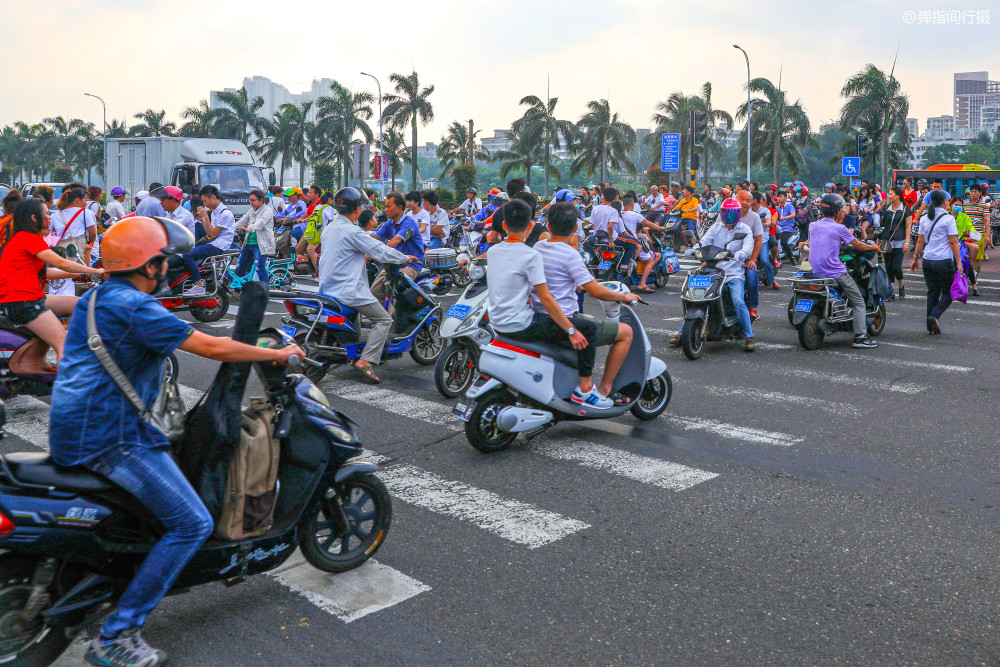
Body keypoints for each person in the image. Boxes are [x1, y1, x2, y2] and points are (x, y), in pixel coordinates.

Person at [48, 216, 302, 666]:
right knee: (192, 523)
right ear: (148, 265)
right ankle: (117, 634)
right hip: (111, 438)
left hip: (76, 427)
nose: (168, 268)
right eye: (164, 261)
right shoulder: (136, 308)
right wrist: (278, 353)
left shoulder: (96, 297)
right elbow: (214, 348)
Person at [487, 200, 624, 408]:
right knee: (586, 328)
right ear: (532, 225)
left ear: (504, 225)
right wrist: (571, 330)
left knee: (582, 321)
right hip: (523, 324)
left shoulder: (494, 252)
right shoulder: (531, 254)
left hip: (497, 323)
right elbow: (547, 299)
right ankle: (585, 390)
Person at [533, 201, 640, 405]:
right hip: (563, 320)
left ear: (547, 225)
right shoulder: (570, 254)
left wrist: (575, 284)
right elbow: (596, 290)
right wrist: (624, 296)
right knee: (625, 332)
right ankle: (601, 390)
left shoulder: (539, 246)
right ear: (575, 228)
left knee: (588, 317)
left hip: (540, 315)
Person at [318, 188, 416, 384]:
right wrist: (405, 258)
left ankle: (352, 353)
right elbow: (379, 250)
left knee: (356, 322)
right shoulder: (352, 231)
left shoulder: (329, 228)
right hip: (348, 290)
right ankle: (366, 361)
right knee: (384, 320)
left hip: (327, 288)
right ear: (357, 209)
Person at [0, 199, 105, 364]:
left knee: (82, 303)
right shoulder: (28, 238)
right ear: (34, 218)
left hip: (28, 298)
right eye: (47, 213)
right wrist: (95, 270)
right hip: (24, 301)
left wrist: (74, 275)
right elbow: (61, 262)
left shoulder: (24, 238)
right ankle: (67, 387)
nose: (50, 217)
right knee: (63, 344)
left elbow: (45, 272)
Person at [670, 198, 757, 351]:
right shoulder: (716, 227)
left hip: (733, 272)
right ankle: (682, 332)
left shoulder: (744, 229)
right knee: (696, 296)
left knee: (738, 300)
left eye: (732, 213)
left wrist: (741, 254)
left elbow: (748, 247)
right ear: (722, 213)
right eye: (726, 212)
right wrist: (693, 250)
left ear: (738, 214)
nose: (728, 216)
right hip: (714, 269)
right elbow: (704, 242)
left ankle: (748, 335)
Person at [807, 193, 881, 348]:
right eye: (842, 209)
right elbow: (859, 245)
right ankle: (860, 336)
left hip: (816, 271)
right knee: (859, 302)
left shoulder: (812, 225)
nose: (843, 211)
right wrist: (874, 246)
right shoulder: (839, 228)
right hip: (835, 273)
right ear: (837, 211)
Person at [910, 190, 962, 334]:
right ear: (945, 202)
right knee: (949, 293)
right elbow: (953, 242)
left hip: (927, 259)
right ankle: (934, 315)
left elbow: (920, 241)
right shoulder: (949, 219)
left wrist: (915, 259)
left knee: (933, 292)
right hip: (943, 261)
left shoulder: (925, 218)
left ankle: (930, 327)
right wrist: (959, 262)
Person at [370, 191, 424, 303]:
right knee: (375, 291)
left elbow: (397, 240)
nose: (386, 209)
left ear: (399, 207)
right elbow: (374, 237)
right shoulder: (390, 223)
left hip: (410, 264)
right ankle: (382, 317)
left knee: (398, 294)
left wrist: (380, 251)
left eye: (389, 206)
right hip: (393, 263)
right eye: (385, 206)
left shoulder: (408, 222)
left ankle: (393, 319)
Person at [183, 185, 236, 296]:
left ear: (213, 197)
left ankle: (198, 286)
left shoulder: (225, 214)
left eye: (205, 201)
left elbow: (213, 234)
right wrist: (202, 220)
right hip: (214, 243)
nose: (204, 204)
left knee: (188, 254)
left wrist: (206, 217)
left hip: (220, 245)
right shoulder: (216, 211)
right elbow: (210, 233)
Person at [734, 190, 764, 321]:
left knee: (752, 276)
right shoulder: (726, 213)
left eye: (748, 200)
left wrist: (753, 259)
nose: (744, 202)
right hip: (725, 257)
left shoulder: (755, 217)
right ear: (735, 199)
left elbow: (758, 240)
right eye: (742, 199)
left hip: (745, 258)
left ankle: (752, 307)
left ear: (752, 203)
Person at [234, 189, 276, 282]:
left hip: (261, 244)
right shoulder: (252, 210)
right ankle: (239, 288)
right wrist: (230, 228)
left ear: (261, 200)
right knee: (240, 266)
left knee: (259, 267)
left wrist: (247, 228)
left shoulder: (267, 211)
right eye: (250, 200)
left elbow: (259, 224)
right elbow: (242, 220)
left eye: (253, 200)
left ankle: (265, 289)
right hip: (249, 243)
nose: (251, 202)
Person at [621, 194, 661, 292]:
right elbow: (649, 224)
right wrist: (660, 228)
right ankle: (642, 284)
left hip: (620, 242)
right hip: (633, 243)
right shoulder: (635, 215)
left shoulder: (618, 214)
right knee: (650, 261)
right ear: (632, 205)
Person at [878, 187, 912, 298]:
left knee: (896, 267)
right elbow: (882, 227)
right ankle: (891, 291)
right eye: (889, 194)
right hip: (887, 242)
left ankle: (901, 284)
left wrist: (907, 242)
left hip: (900, 242)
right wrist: (878, 242)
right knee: (888, 267)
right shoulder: (887, 209)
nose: (889, 196)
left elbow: (908, 227)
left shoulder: (906, 210)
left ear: (898, 195)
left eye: (891, 194)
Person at [50, 186, 98, 265]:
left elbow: (48, 232)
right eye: (85, 200)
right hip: (79, 248)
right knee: (80, 271)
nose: (86, 203)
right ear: (77, 200)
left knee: (64, 270)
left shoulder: (55, 215)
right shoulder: (85, 212)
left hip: (61, 249)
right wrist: (90, 244)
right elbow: (93, 233)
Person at [964, 186, 991, 294]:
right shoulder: (965, 204)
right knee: (965, 257)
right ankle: (966, 278)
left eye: (975, 192)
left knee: (977, 259)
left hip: (979, 235)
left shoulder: (984, 206)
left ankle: (974, 278)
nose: (973, 194)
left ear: (980, 193)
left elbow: (987, 221)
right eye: (971, 192)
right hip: (966, 235)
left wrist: (988, 236)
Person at [750, 191, 779, 289]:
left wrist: (764, 224)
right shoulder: (748, 211)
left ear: (754, 200)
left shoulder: (765, 211)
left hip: (762, 239)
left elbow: (768, 221)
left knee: (765, 260)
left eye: (749, 199)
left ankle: (772, 281)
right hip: (749, 239)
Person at [273, 187, 307, 258]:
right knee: (277, 232)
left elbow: (292, 215)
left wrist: (284, 218)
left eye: (290, 196)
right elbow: (284, 213)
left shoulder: (301, 204)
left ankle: (292, 255)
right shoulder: (291, 205)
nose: (288, 198)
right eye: (288, 196)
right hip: (289, 226)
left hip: (299, 227)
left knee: (289, 235)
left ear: (296, 196)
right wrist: (273, 216)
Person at [775, 191, 797, 265]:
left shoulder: (790, 206)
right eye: (778, 197)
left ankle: (792, 258)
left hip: (787, 228)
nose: (779, 198)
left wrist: (785, 218)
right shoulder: (776, 208)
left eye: (780, 196)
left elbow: (793, 214)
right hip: (778, 228)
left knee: (783, 242)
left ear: (785, 197)